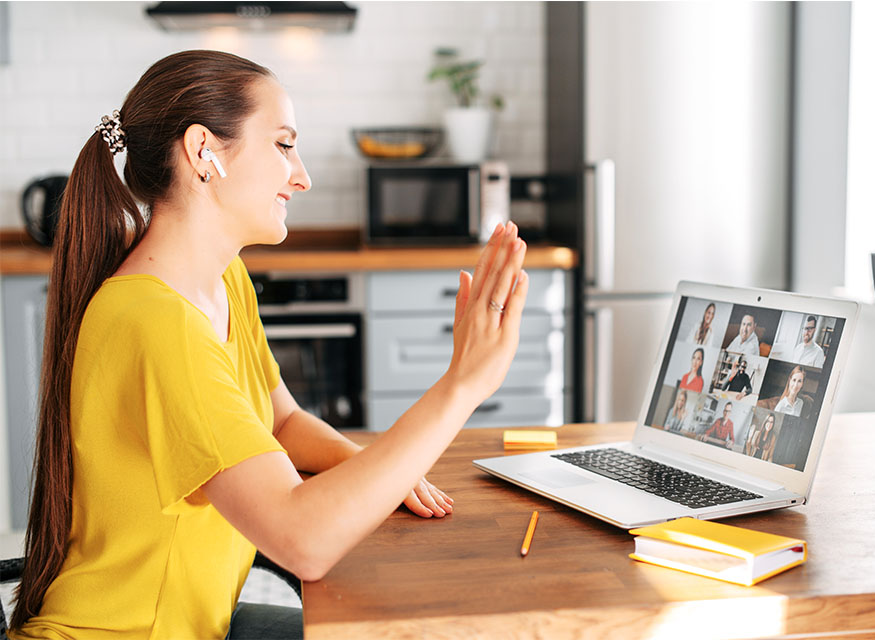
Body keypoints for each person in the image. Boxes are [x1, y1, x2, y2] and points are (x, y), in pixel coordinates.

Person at [8, 50, 530, 640]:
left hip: (203, 624)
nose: (302, 174)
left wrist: (372, 471)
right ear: (205, 152)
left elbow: (279, 421)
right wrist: (462, 385)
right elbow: (301, 540)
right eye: (283, 145)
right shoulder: (156, 321)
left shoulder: (222, 278)